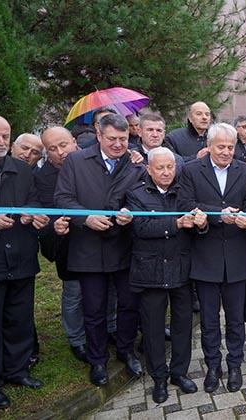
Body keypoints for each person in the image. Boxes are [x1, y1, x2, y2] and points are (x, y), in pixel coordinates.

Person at [54, 113, 146, 385]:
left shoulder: (135, 163)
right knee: (94, 308)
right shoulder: (76, 161)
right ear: (99, 135)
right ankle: (97, 361)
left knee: (129, 304)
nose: (119, 144)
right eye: (112, 139)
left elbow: (142, 197)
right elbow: (62, 198)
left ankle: (126, 351)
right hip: (88, 248)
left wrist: (131, 213)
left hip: (124, 246)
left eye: (124, 139)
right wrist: (86, 218)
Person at [178, 123, 246, 393]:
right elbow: (185, 204)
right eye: (221, 147)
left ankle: (235, 364)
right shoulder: (192, 170)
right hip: (206, 256)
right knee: (209, 320)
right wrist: (218, 214)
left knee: (236, 319)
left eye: (231, 146)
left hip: (237, 257)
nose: (227, 152)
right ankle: (213, 365)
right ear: (209, 146)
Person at [0, 114, 48, 409]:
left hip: (20, 258)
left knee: (19, 319)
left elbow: (34, 201)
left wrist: (34, 214)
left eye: (5, 136)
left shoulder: (21, 169)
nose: (1, 142)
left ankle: (17, 370)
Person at [125, 147, 203, 403]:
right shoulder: (136, 195)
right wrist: (176, 224)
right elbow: (140, 227)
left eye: (170, 167)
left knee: (183, 326)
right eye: (160, 167)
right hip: (151, 272)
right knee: (153, 327)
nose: (166, 172)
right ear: (149, 169)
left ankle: (179, 373)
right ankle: (158, 377)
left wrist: (201, 224)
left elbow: (195, 223)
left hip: (181, 269)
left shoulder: (184, 193)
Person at [36, 127, 85, 362]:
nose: (60, 152)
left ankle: (109, 328)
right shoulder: (42, 177)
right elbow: (43, 211)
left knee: (106, 290)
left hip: (98, 239)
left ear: (74, 141)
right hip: (66, 243)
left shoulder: (92, 160)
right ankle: (77, 339)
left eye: (63, 145)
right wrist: (54, 226)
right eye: (52, 149)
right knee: (73, 293)